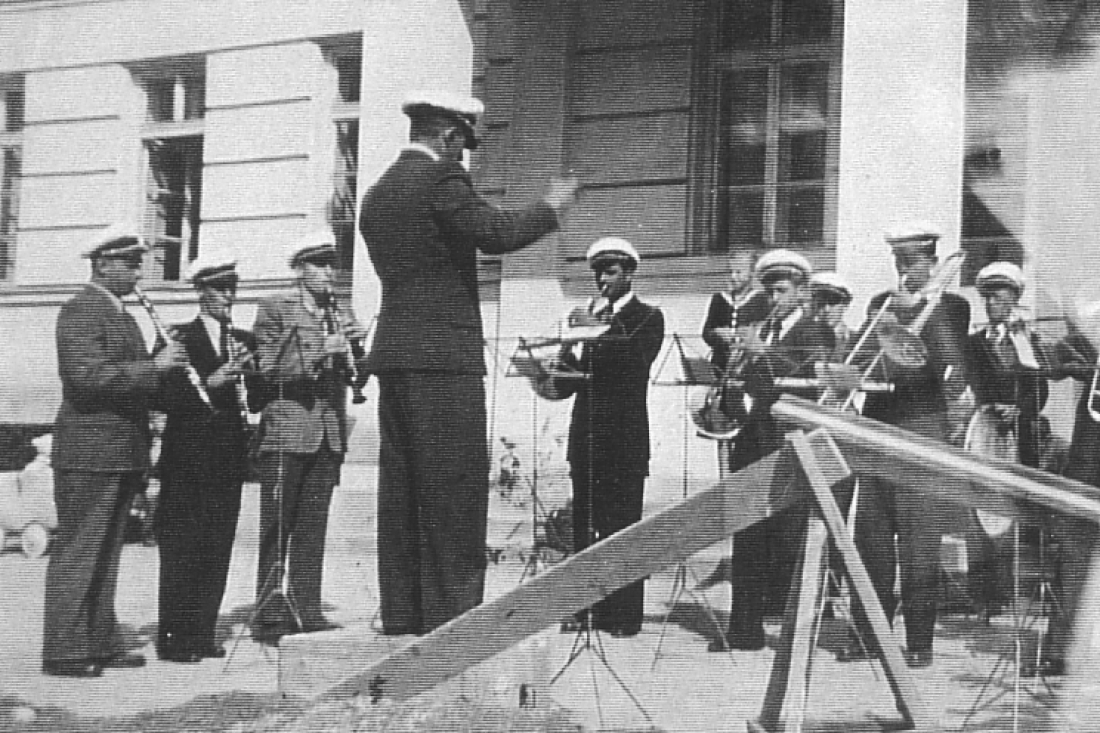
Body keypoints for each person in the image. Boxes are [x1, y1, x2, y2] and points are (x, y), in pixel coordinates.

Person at [359, 91, 579, 634]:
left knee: (403, 488)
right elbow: (498, 234)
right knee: (453, 487)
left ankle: (403, 613)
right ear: (449, 136)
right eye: (463, 146)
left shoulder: (378, 191)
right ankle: (453, 621)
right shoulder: (441, 181)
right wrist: (553, 206)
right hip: (443, 357)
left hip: (396, 352)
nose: (464, 159)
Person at [44, 224, 187, 677]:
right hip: (89, 451)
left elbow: (128, 377)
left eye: (137, 261)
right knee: (80, 550)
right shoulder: (81, 309)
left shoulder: (121, 313)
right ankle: (64, 650)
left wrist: (166, 373)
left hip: (120, 449)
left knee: (106, 552)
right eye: (129, 262)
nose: (138, 271)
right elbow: (86, 378)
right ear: (103, 263)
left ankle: (100, 642)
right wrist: (154, 368)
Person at [838, 223, 971, 668]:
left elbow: (951, 370)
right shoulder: (881, 304)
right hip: (878, 432)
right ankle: (869, 633)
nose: (904, 272)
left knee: (919, 545)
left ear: (932, 263)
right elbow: (860, 355)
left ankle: (919, 641)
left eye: (913, 264)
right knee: (871, 539)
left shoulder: (952, 306)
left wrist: (921, 313)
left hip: (920, 433)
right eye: (900, 263)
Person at [713, 249, 836, 652]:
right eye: (768, 290)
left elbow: (814, 377)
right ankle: (744, 631)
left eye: (781, 290)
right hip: (752, 445)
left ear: (801, 293)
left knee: (789, 540)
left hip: (788, 445)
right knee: (748, 538)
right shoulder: (758, 330)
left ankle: (791, 636)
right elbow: (746, 394)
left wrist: (765, 354)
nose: (772, 298)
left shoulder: (815, 332)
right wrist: (732, 378)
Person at [249, 230, 368, 644]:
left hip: (328, 434)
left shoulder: (340, 309)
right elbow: (267, 370)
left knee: (313, 528)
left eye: (332, 263)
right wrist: (322, 349)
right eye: (319, 264)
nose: (329, 273)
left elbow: (352, 370)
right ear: (300, 269)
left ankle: (307, 609)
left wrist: (358, 353)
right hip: (286, 433)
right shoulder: (275, 308)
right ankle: (267, 615)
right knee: (276, 528)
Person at [552, 238, 664, 637]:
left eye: (611, 271)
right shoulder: (592, 319)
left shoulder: (648, 316)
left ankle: (623, 616)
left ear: (629, 273)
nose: (602, 279)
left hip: (624, 439)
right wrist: (565, 346)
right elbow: (569, 382)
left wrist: (594, 329)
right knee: (585, 524)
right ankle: (585, 608)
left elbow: (633, 363)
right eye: (598, 272)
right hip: (586, 435)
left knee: (623, 527)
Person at [154, 252, 255, 663]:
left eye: (232, 289)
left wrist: (255, 376)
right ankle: (175, 639)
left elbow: (258, 399)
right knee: (183, 546)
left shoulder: (243, 340)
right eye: (219, 289)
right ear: (201, 292)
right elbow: (162, 397)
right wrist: (213, 382)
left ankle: (202, 632)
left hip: (228, 459)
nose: (228, 297)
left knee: (217, 543)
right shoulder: (177, 338)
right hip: (187, 460)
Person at [962, 262, 1054, 624]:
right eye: (988, 299)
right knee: (979, 509)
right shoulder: (973, 343)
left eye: (1000, 299)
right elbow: (969, 382)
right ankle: (983, 597)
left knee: (1012, 512)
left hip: (1018, 435)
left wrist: (1020, 408)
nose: (992, 306)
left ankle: (1009, 592)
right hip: (985, 431)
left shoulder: (1026, 341)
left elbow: (1039, 388)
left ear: (1014, 300)